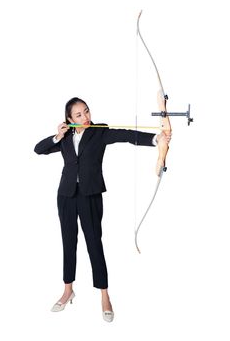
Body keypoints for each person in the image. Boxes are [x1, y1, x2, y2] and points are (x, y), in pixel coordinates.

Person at [34, 97, 171, 322]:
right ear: (69, 119)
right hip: (66, 196)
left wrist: (157, 139)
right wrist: (57, 136)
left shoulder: (99, 131)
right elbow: (39, 149)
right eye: (79, 115)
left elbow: (126, 135)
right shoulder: (65, 137)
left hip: (90, 195)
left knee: (94, 244)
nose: (85, 117)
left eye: (86, 112)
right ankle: (68, 290)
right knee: (68, 242)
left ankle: (105, 297)